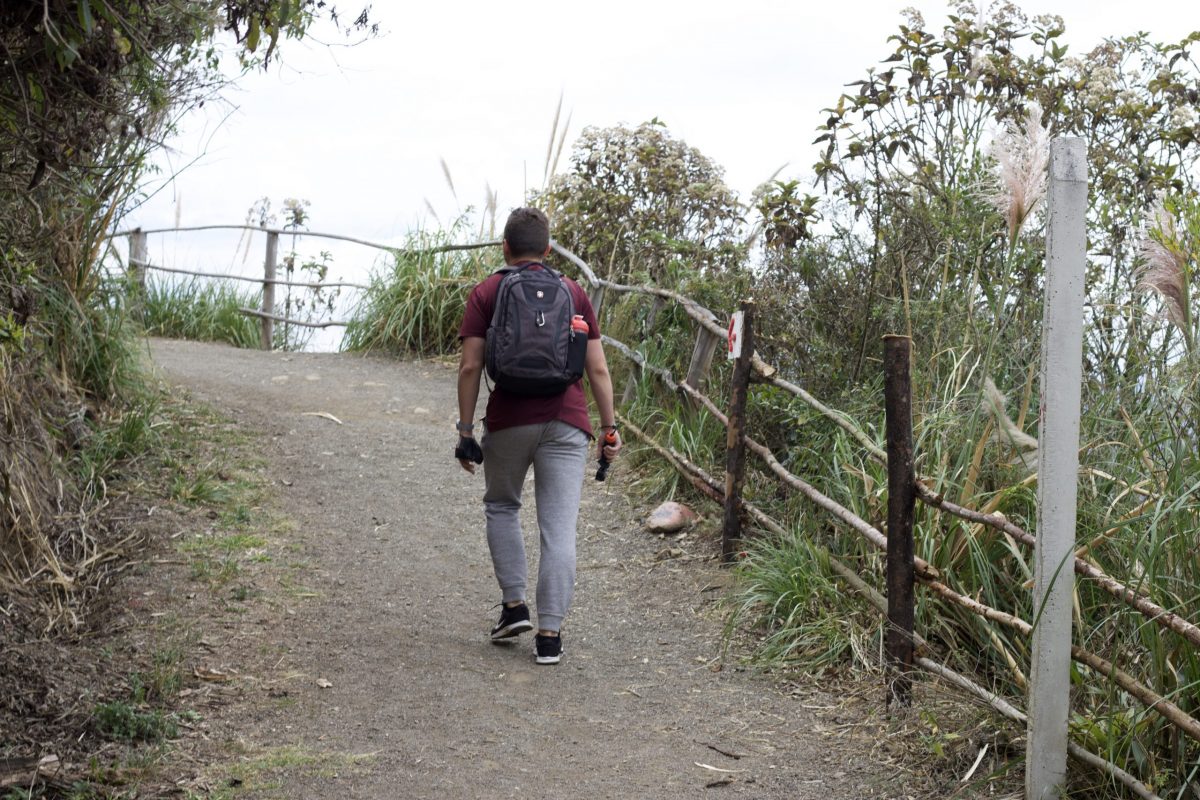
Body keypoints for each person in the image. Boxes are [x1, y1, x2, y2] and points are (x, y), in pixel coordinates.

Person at [455, 207, 621, 666]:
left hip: (509, 420)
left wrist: (466, 430)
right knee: (558, 528)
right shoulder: (574, 292)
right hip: (568, 423)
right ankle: (550, 636)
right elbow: (598, 369)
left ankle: (514, 607)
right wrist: (610, 428)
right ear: (549, 249)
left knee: (502, 505)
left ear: (504, 248)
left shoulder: (487, 290)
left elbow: (471, 366)